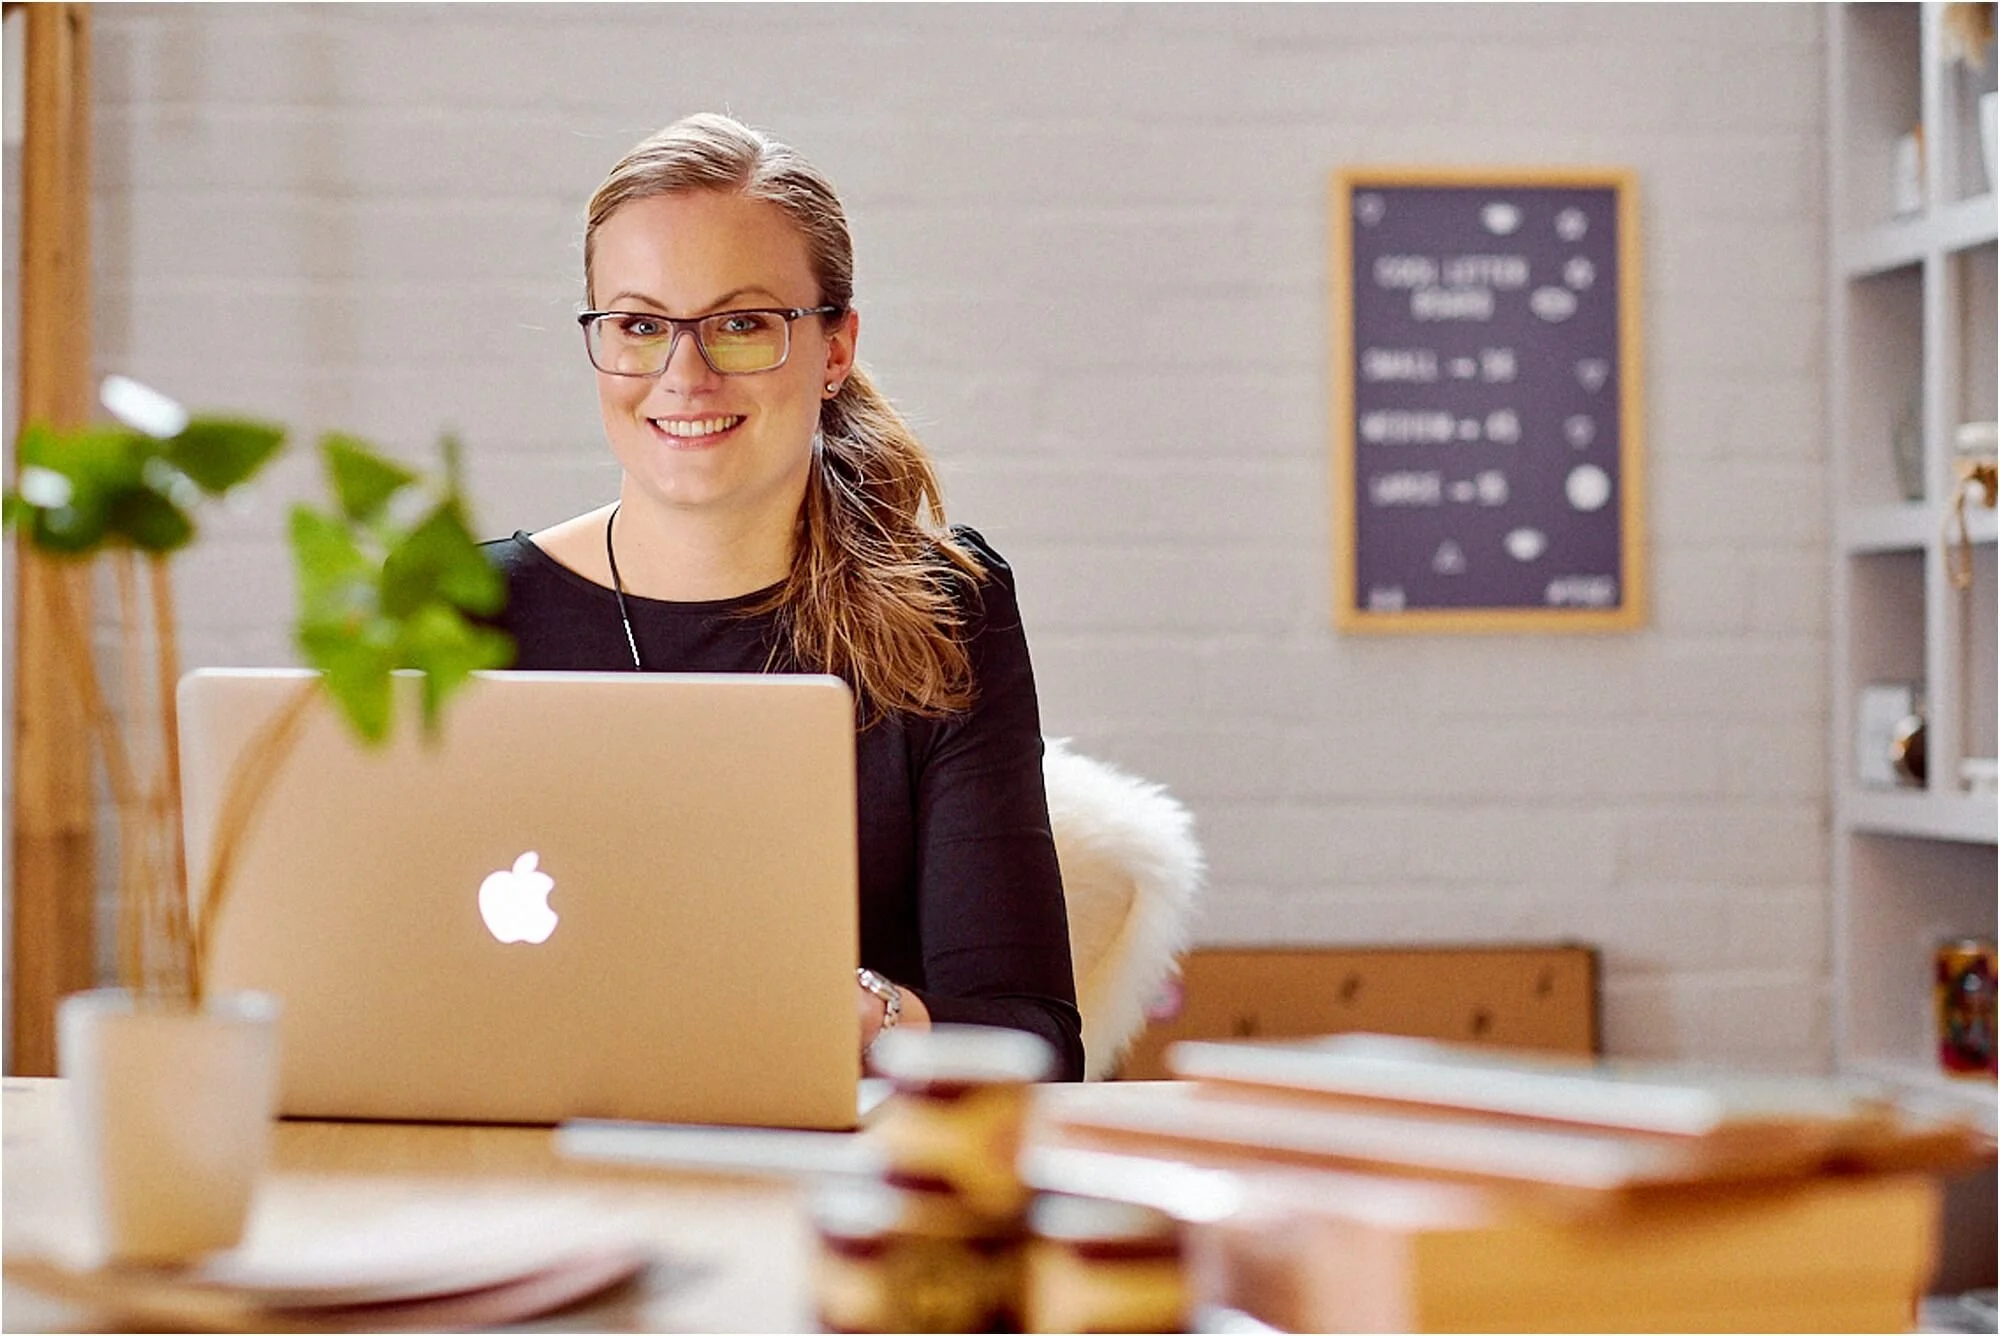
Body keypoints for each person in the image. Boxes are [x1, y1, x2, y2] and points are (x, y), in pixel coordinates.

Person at [483, 112, 1084, 1081]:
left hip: (819, 1186)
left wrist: (851, 1013)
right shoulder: (474, 607)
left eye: (740, 323)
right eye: (638, 324)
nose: (683, 374)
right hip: (517, 1169)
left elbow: (1035, 1045)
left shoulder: (945, 607)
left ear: (834, 347)